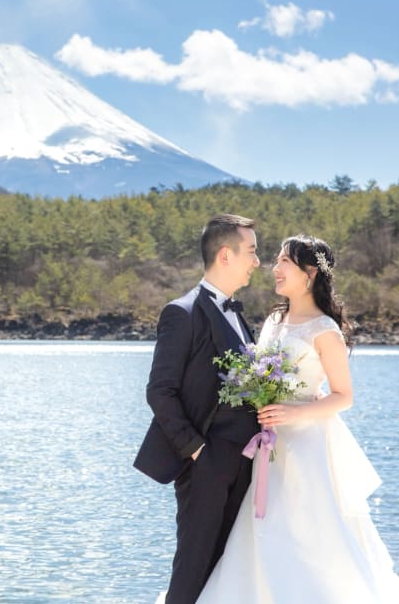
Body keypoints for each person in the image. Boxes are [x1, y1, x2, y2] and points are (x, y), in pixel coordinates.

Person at [196, 234, 399, 604]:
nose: (274, 268)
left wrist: (294, 411)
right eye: (277, 260)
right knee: (263, 531)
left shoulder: (325, 330)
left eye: (284, 261)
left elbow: (344, 396)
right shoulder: (274, 319)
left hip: (307, 448)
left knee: (308, 532)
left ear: (309, 273)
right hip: (271, 443)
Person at [134, 214, 262, 604]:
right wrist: (196, 450)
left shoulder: (239, 314)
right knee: (192, 572)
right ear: (226, 255)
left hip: (246, 464)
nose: (258, 261)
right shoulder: (182, 313)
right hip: (205, 465)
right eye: (252, 252)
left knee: (226, 571)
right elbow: (160, 390)